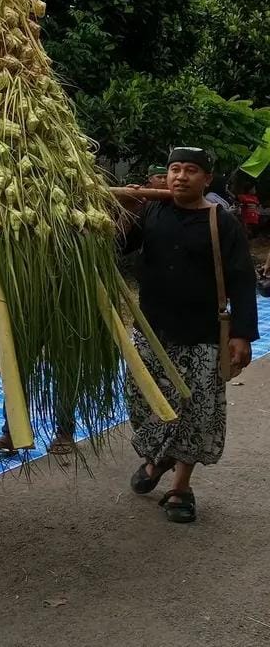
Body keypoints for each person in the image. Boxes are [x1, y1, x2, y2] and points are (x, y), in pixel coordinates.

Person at [124, 146, 257, 523]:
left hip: (202, 336)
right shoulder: (151, 211)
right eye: (175, 169)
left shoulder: (220, 221)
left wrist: (242, 335)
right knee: (142, 401)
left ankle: (181, 486)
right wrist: (127, 210)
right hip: (151, 331)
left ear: (206, 179)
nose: (181, 176)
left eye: (191, 170)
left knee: (198, 412)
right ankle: (157, 458)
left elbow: (243, 281)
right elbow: (118, 246)